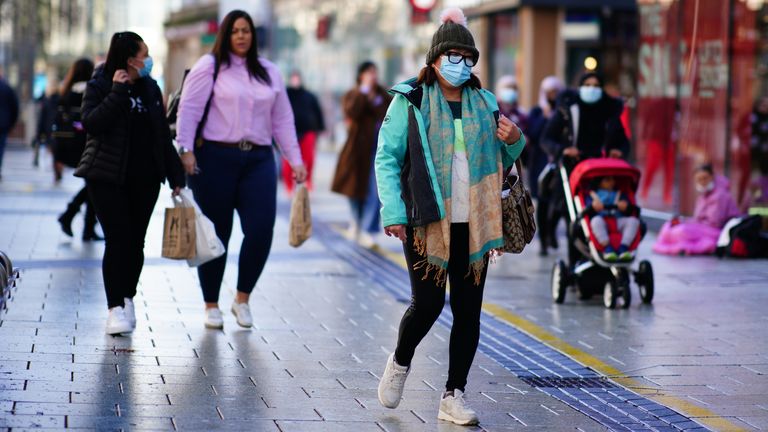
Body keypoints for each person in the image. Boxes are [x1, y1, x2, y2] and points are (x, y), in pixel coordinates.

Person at [374, 8, 525, 426]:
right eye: (452, 55)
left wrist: (516, 140)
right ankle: (401, 361)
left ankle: (453, 394)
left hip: (474, 223)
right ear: (435, 58)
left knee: (468, 311)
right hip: (426, 219)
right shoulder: (411, 99)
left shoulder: (485, 102)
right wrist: (394, 211)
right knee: (427, 304)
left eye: (467, 56)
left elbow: (501, 158)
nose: (460, 64)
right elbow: (387, 159)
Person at [176, 10, 306, 330]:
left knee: (261, 230)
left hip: (259, 160)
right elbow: (189, 111)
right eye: (234, 31)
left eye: (246, 30)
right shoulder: (210, 67)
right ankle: (210, 304)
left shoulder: (269, 72)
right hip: (215, 159)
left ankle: (242, 298)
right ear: (226, 34)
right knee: (216, 234)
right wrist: (186, 149)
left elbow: (282, 120)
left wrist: (295, 159)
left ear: (253, 34)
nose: (241, 36)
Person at [75, 32, 185, 335]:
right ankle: (114, 308)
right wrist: (117, 92)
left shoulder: (150, 87)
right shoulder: (99, 83)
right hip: (107, 177)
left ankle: (127, 298)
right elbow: (92, 123)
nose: (148, 61)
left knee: (136, 242)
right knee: (118, 239)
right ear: (128, 58)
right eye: (144, 55)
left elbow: (161, 134)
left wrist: (176, 175)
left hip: (145, 178)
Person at [541, 72, 629, 257]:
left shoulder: (609, 110)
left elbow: (623, 141)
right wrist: (563, 150)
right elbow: (547, 138)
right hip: (572, 171)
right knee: (573, 219)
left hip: (601, 174)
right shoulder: (568, 108)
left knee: (602, 218)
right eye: (587, 84)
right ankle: (575, 261)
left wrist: (618, 151)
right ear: (580, 87)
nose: (592, 89)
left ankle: (605, 254)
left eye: (596, 85)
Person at [331, 61, 391, 247]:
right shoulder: (354, 94)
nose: (372, 76)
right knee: (353, 190)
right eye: (368, 72)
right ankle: (356, 220)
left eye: (374, 72)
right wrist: (363, 92)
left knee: (376, 191)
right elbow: (352, 112)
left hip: (379, 151)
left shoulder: (384, 95)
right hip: (356, 153)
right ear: (360, 75)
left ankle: (368, 229)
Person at [54, 58, 102, 241]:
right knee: (93, 183)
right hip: (86, 145)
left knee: (92, 184)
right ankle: (71, 216)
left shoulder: (66, 90)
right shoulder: (89, 90)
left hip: (69, 145)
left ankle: (85, 226)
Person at [653, 164, 741, 255]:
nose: (702, 182)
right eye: (699, 179)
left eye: (705, 178)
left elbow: (714, 223)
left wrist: (690, 224)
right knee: (669, 226)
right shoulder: (703, 196)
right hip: (704, 228)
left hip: (718, 231)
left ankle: (681, 248)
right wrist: (684, 221)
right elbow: (698, 219)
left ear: (712, 177)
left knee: (681, 231)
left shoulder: (720, 196)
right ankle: (678, 247)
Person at [526, 76, 564, 255]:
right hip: (540, 163)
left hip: (559, 163)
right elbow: (532, 134)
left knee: (558, 202)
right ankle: (543, 239)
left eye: (555, 92)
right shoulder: (536, 112)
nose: (552, 96)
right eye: (549, 93)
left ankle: (551, 232)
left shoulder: (564, 111)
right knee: (542, 201)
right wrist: (545, 116)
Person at [283, 70, 324, 193]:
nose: (295, 81)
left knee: (309, 158)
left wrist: (320, 128)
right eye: (293, 78)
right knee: (288, 161)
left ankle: (308, 181)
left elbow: (317, 112)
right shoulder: (285, 94)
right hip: (289, 132)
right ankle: (289, 185)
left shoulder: (309, 96)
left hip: (307, 131)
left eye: (297, 78)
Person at [585, 176, 640, 261]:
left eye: (613, 180)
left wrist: (625, 207)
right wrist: (592, 206)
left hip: (618, 220)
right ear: (599, 182)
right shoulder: (592, 195)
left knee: (633, 221)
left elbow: (629, 208)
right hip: (602, 221)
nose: (612, 182)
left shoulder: (620, 194)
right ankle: (607, 248)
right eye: (607, 180)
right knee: (596, 221)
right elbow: (587, 209)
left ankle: (624, 247)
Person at [0, 69, 19, 181]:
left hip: (4, 123)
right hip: (3, 124)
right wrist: (12, 123)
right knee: (0, 147)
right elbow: (14, 107)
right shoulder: (7, 88)